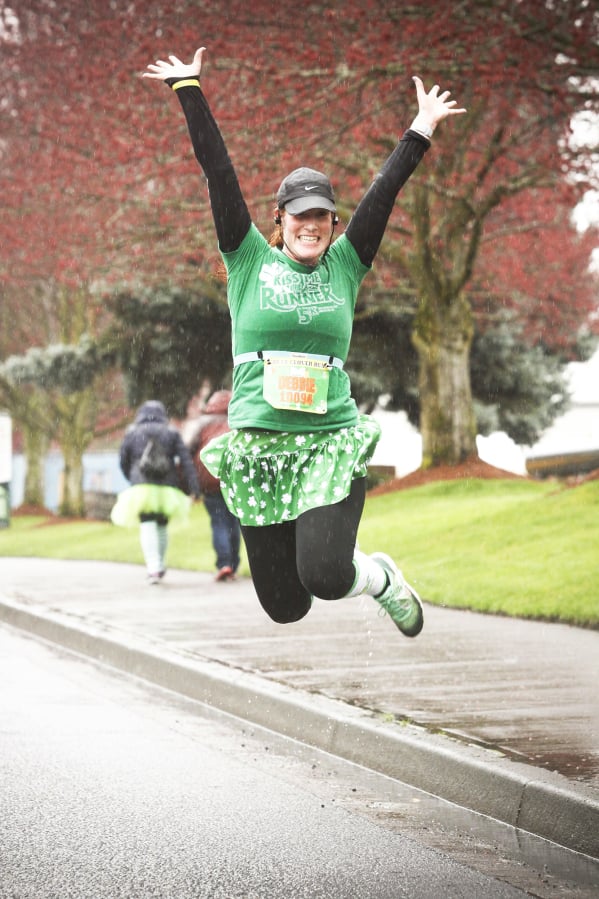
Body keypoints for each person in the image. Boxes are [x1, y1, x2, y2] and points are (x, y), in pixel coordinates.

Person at [143, 48, 466, 632]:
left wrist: (419, 130)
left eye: (322, 215)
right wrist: (188, 88)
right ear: (280, 219)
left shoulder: (345, 265)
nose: (311, 224)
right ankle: (332, 574)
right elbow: (219, 173)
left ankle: (382, 580)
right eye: (300, 215)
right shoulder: (246, 260)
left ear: (334, 223)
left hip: (326, 441)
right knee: (286, 607)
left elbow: (382, 195)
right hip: (261, 448)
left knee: (325, 574)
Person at [111, 400, 200, 584]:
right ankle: (159, 564)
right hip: (167, 487)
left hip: (141, 487)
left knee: (147, 525)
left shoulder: (132, 433)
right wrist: (194, 487)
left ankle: (153, 568)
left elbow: (123, 460)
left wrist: (132, 477)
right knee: (161, 526)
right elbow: (186, 461)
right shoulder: (172, 432)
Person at [186, 389, 241, 581]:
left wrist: (192, 483)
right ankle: (233, 564)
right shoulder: (237, 422)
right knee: (234, 523)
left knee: (219, 523)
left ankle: (224, 563)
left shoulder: (202, 424)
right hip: (234, 479)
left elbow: (189, 450)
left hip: (209, 480)